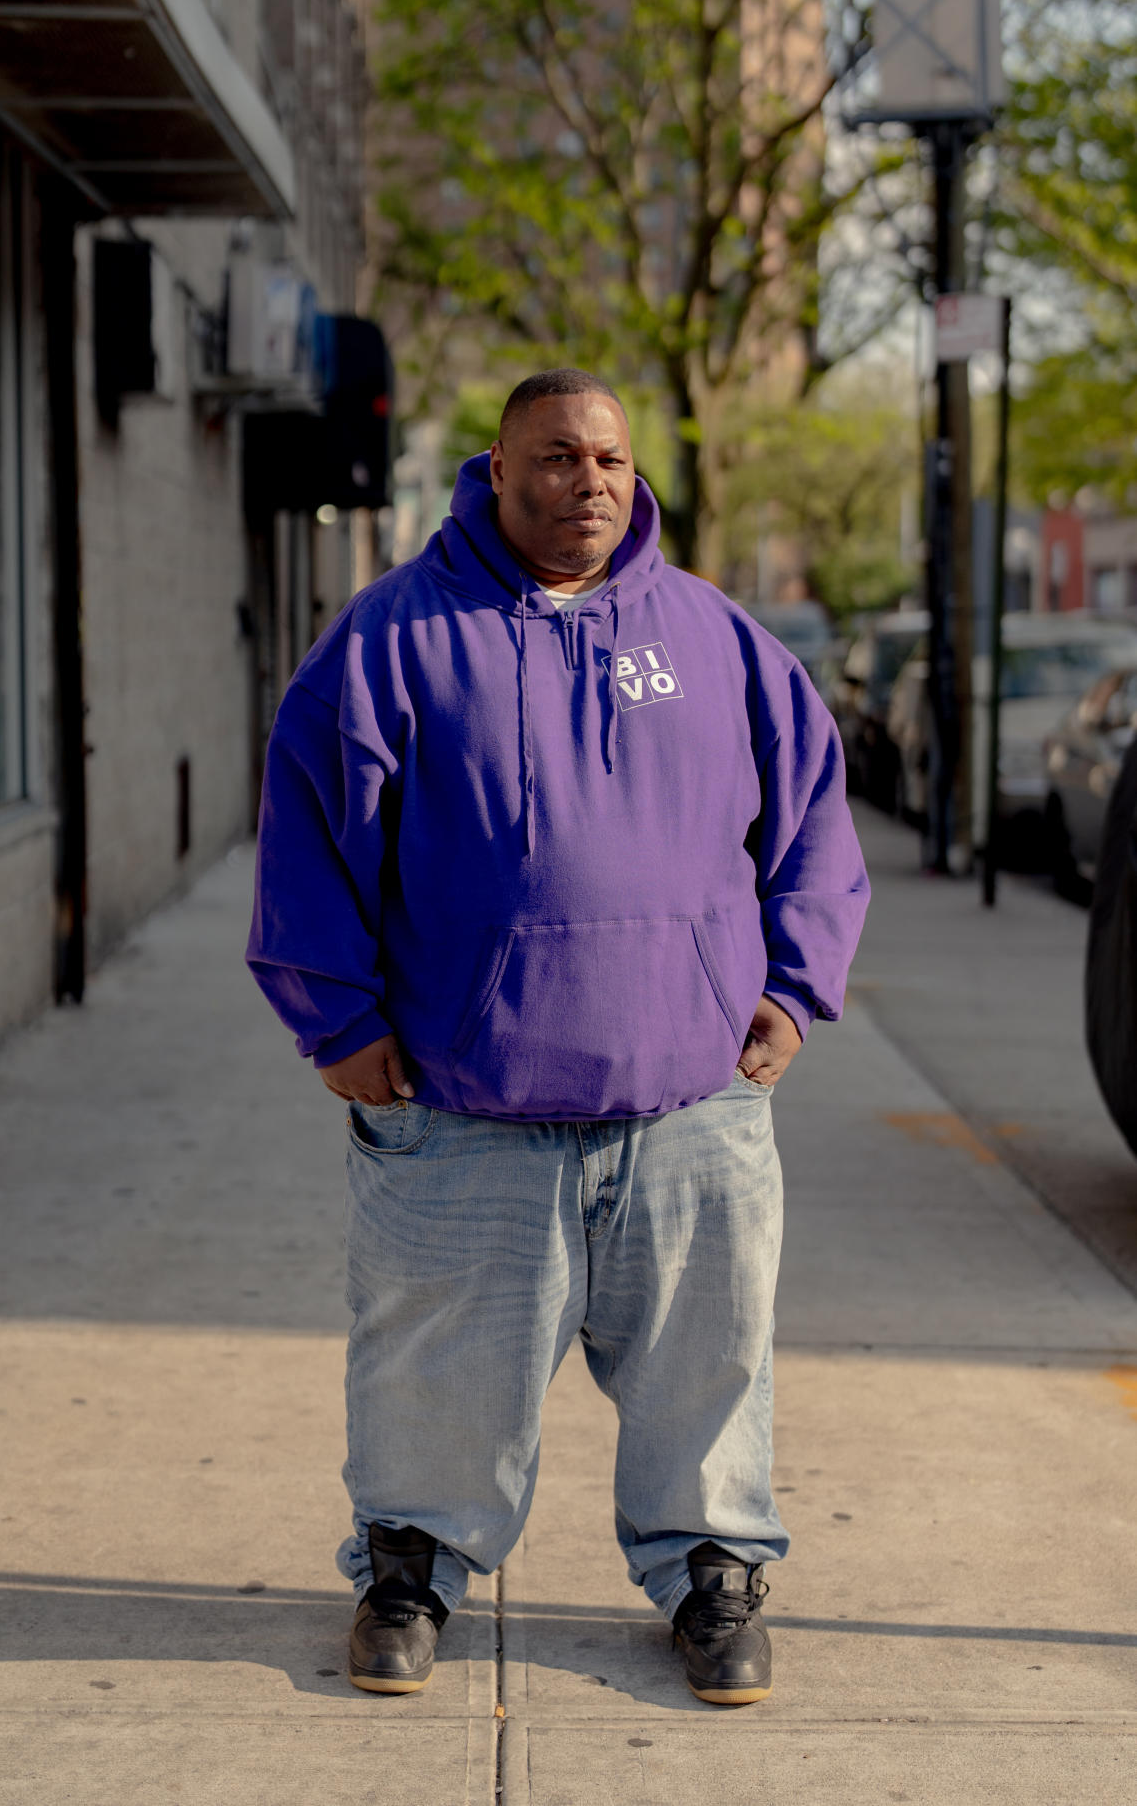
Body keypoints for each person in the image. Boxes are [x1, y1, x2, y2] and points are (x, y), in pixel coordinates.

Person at [247, 368, 868, 1705]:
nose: (588, 481)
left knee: (708, 1370)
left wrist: (796, 985)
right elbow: (303, 834)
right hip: (465, 1103)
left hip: (688, 1106)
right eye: (555, 457)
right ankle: (409, 1572)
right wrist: (333, 1017)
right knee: (434, 1370)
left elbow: (815, 817)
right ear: (494, 468)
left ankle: (712, 1577)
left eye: (609, 459)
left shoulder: (710, 636)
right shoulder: (393, 639)